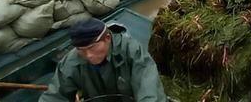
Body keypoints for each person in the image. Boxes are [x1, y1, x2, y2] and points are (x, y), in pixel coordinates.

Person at [39, 18, 167, 102]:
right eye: (81, 50)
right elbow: (55, 96)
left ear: (107, 38)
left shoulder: (132, 51)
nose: (88, 55)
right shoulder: (71, 62)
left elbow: (149, 92)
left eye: (92, 48)